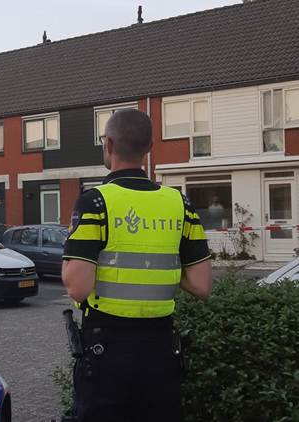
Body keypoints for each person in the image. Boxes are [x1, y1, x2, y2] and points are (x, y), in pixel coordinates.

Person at [61, 109, 213, 422]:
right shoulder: (180, 203)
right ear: (150, 147)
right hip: (160, 352)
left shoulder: (95, 202)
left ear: (109, 144)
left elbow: (78, 287)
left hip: (106, 351)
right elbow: (202, 285)